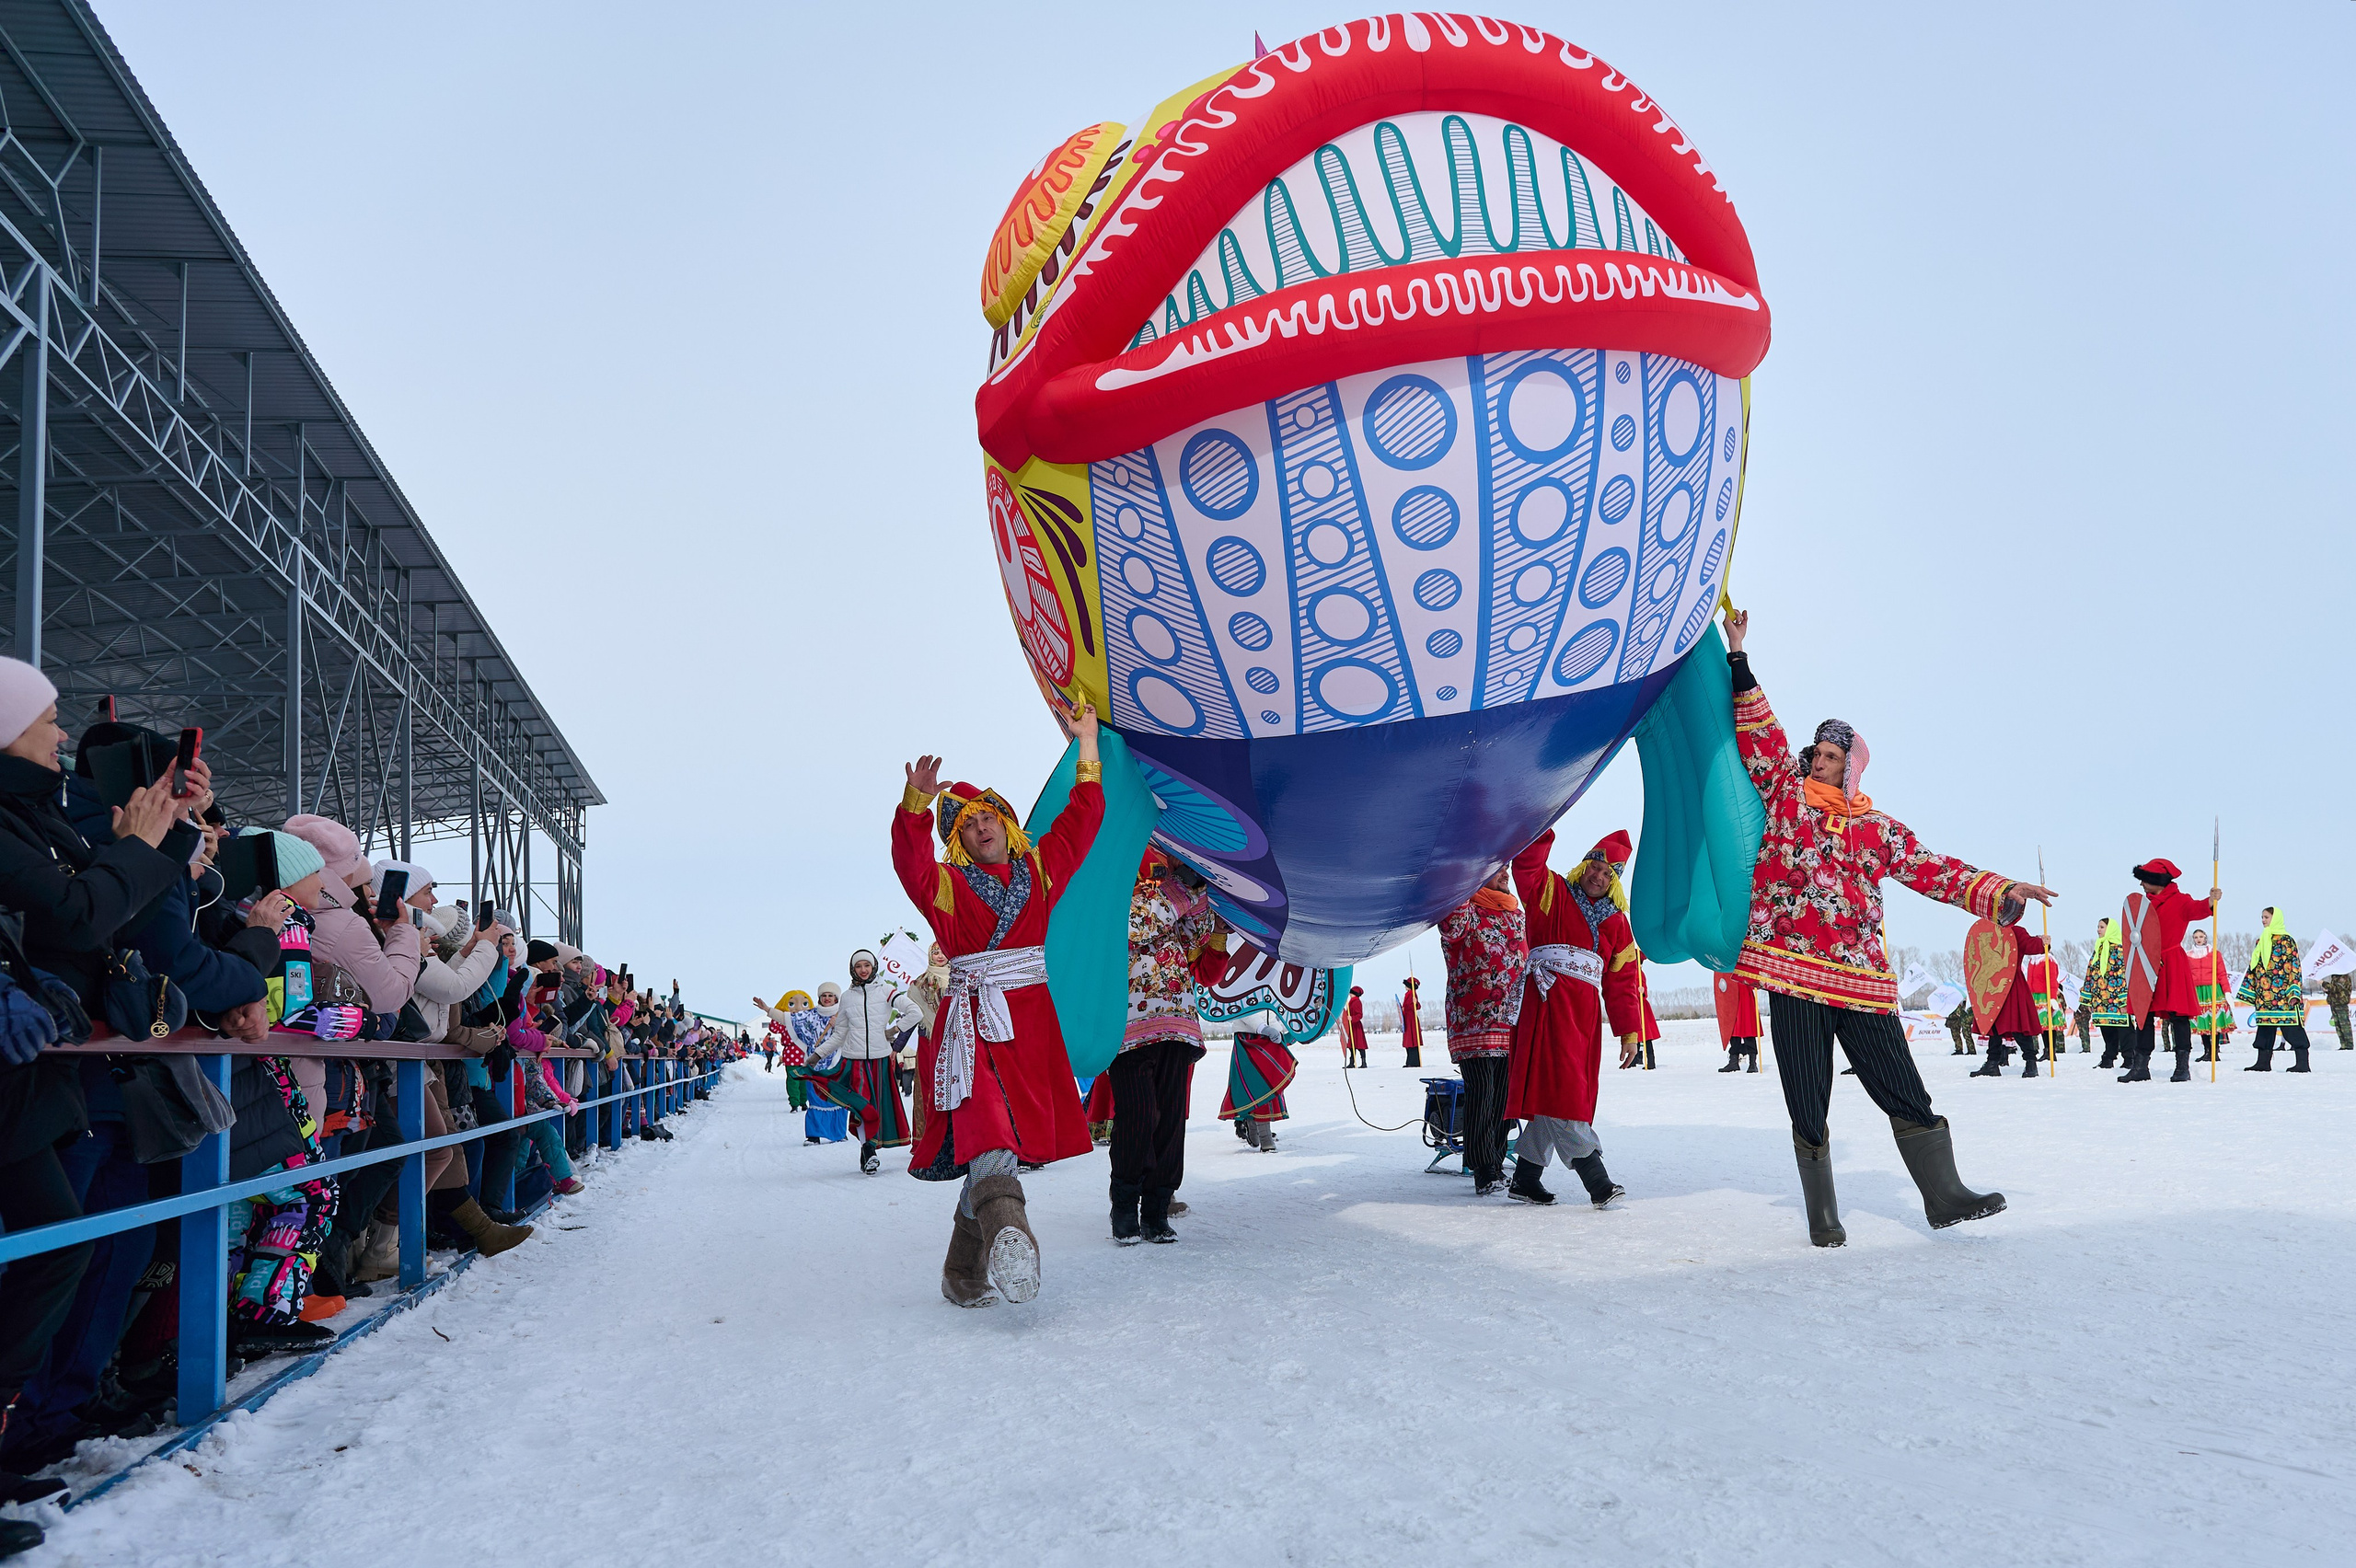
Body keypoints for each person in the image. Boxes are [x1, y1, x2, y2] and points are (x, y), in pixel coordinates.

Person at [1722, 609, 2051, 1247]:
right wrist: (1740, 657)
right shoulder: (1784, 798)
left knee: (1900, 1082)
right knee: (1807, 1092)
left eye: (1833, 756)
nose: (1820, 762)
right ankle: (1822, 1214)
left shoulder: (1875, 828)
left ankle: (1944, 1194)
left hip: (1861, 979)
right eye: (1816, 753)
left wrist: (2004, 892)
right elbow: (1760, 738)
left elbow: (1934, 870)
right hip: (1793, 972)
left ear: (1852, 765)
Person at [0, 663, 204, 1480]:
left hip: (40, 1079)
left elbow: (94, 905)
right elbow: (83, 917)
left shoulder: (34, 814)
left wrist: (172, 831)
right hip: (45, 1076)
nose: (59, 734)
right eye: (46, 719)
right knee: (55, 1249)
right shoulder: (17, 819)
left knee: (67, 1249)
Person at [893, 705, 1102, 1308]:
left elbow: (1083, 820)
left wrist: (1086, 746)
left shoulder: (1039, 871)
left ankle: (963, 1272)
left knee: (1002, 1148)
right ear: (956, 842)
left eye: (988, 817)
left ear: (1007, 824)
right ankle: (1012, 1238)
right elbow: (909, 864)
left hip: (1030, 1024)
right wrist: (914, 806)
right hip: (968, 1028)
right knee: (988, 1135)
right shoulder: (948, 888)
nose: (980, 828)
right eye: (966, 825)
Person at [1505, 827, 1641, 1208]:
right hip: (1546, 1006)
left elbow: (1623, 981)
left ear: (1614, 881)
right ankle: (1596, 1180)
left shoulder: (1617, 924)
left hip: (1583, 1021)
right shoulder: (1553, 892)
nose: (1598, 875)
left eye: (1607, 872)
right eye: (1594, 866)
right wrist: (1542, 818)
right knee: (1566, 1091)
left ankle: (1526, 1177)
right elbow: (1528, 865)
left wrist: (1629, 1032)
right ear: (1584, 865)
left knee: (1557, 1090)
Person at [1108, 850, 1229, 1242]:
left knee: (1172, 1121)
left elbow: (1196, 936)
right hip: (1127, 1023)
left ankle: (1157, 1208)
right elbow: (1132, 925)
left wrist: (1199, 895)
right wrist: (1180, 892)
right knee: (1139, 1118)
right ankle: (1124, 1205)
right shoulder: (1112, 867)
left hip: (1177, 1020)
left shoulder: (1174, 865)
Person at [1438, 869, 1527, 1195]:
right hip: (1474, 1022)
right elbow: (1449, 927)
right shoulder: (1465, 909)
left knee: (1505, 1097)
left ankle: (1498, 1159)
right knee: (1483, 1092)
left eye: (1505, 867)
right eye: (1495, 868)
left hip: (1510, 1023)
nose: (1505, 873)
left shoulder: (1516, 914)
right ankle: (1482, 1167)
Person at [2116, 859, 2222, 1084]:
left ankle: (2182, 1067)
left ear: (2157, 881)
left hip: (2172, 962)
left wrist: (2211, 901)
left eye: (2145, 880)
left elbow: (2199, 909)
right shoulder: (2142, 906)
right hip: (2145, 964)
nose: (2141, 885)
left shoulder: (2181, 901)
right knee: (2143, 1016)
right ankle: (2140, 1066)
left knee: (2179, 1016)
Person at [808, 948, 914, 1175]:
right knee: (862, 1107)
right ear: (852, 969)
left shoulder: (887, 991)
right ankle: (869, 1151)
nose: (863, 970)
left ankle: (867, 1152)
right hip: (854, 1061)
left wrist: (894, 1030)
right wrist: (817, 1055)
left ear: (873, 967)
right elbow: (839, 1035)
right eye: (858, 966)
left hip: (880, 1060)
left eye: (867, 965)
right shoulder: (846, 997)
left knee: (876, 1109)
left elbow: (914, 1012)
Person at [2237, 907, 2310, 1073]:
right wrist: (2250, 989)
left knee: (2292, 1028)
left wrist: (2294, 991)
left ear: (2275, 918)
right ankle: (2263, 1062)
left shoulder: (2287, 940)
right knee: (2264, 1028)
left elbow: (2294, 967)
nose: (2263, 920)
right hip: (2265, 994)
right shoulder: (2261, 940)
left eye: (2266, 917)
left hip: (2283, 995)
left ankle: (2302, 1063)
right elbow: (2254, 966)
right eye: (2262, 917)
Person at [1969, 930, 2050, 1079]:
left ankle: (2031, 1063)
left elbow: (2030, 946)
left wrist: (2042, 942)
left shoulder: (2015, 932)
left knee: (2017, 1025)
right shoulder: (1989, 930)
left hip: (2012, 985)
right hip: (1992, 986)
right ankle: (1992, 1063)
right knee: (1993, 1025)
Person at [1221, 1025, 1294, 1152]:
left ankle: (1254, 1124)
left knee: (1269, 1086)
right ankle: (1264, 1137)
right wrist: (1262, 1027)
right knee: (1256, 1086)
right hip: (1248, 1037)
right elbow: (1244, 1009)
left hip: (1271, 1038)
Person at [2083, 917, 2132, 1068]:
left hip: (2117, 998)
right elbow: (2090, 973)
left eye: (2102, 927)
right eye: (2098, 927)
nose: (2098, 930)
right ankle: (2108, 1058)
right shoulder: (2098, 948)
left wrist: (2125, 1000)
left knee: (2124, 1029)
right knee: (2107, 1029)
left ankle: (2130, 1058)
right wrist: (2089, 998)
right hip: (2101, 998)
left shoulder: (2119, 950)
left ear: (2110, 929)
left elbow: (2123, 975)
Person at [2184, 928, 2235, 1066]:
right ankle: (2207, 1050)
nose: (2198, 939)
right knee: (2202, 1021)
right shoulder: (2188, 955)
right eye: (2196, 937)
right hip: (2197, 990)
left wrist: (2227, 992)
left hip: (2213, 989)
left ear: (2205, 938)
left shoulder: (2214, 954)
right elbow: (2186, 975)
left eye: (2201, 936)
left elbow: (2222, 973)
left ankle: (2214, 1052)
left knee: (2214, 1021)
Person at [1714, 972, 1761, 1074]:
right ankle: (1734, 1061)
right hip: (1730, 991)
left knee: (1747, 1027)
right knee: (1733, 1027)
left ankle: (1752, 1063)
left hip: (1744, 989)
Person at [1337, 986, 1368, 1067]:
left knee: (1359, 1045)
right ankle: (1352, 1062)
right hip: (1350, 1026)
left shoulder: (1357, 1002)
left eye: (1351, 993)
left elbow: (1359, 1015)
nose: (1350, 994)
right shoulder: (1351, 1002)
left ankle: (1364, 1062)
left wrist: (1352, 1018)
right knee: (1351, 1045)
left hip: (1356, 1026)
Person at [1399, 975, 1425, 1067]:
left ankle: (1413, 1062)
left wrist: (1415, 1003)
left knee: (1412, 1041)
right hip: (1407, 1018)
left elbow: (1415, 1006)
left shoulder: (1412, 993)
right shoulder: (1408, 994)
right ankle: (1410, 1061)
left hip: (1411, 1020)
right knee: (1409, 1041)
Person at [2326, 971, 2354, 1052]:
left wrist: (2324, 983)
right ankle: (2343, 1044)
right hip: (2334, 1003)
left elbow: (2338, 988)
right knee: (2338, 1025)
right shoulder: (2335, 977)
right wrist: (2327, 991)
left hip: (2341, 1003)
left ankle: (2349, 1045)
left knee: (2344, 1025)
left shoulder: (2344, 977)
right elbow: (2334, 990)